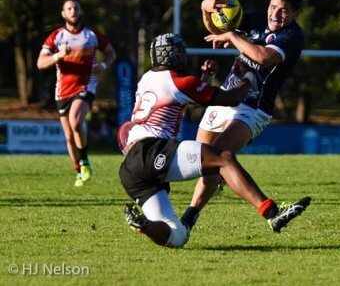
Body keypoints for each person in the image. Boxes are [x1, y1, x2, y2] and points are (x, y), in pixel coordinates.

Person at [118, 33, 311, 249]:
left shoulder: (147, 78)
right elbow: (232, 98)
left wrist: (206, 79)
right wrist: (247, 77)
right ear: (175, 56)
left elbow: (187, 98)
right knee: (224, 158)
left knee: (177, 236)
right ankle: (271, 212)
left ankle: (144, 225)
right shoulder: (180, 81)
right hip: (152, 150)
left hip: (130, 170)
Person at [180, 0, 305, 230]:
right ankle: (188, 219)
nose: (275, 14)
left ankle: (268, 211)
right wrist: (205, 10)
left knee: (220, 155)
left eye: (284, 11)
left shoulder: (292, 37)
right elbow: (219, 27)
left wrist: (232, 36)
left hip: (253, 108)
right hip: (226, 98)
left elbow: (263, 57)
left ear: (294, 14)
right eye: (273, 6)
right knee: (207, 163)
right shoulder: (258, 18)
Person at [37, 0, 116, 187]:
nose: (73, 11)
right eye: (69, 9)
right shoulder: (56, 37)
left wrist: (103, 65)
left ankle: (86, 161)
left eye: (76, 8)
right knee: (69, 137)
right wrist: (58, 55)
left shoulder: (92, 35)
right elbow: (40, 63)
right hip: (62, 90)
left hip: (86, 85)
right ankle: (80, 170)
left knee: (75, 121)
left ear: (81, 12)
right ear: (63, 13)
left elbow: (111, 53)